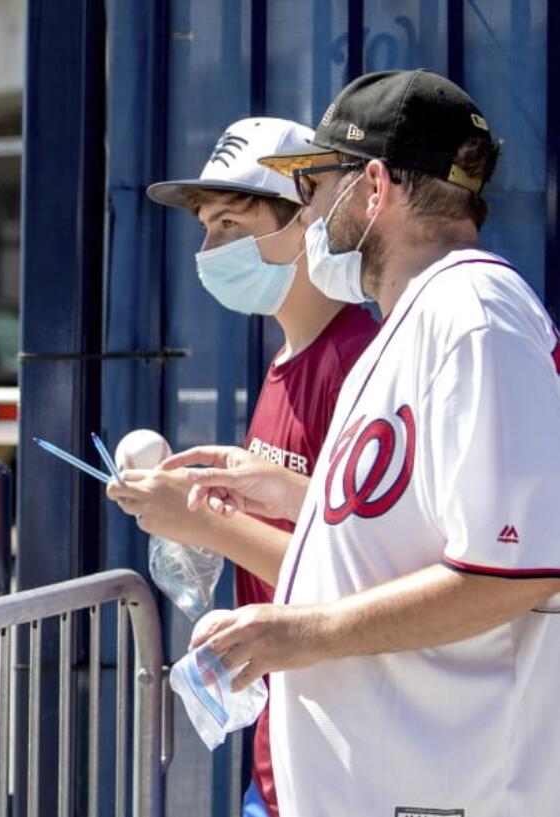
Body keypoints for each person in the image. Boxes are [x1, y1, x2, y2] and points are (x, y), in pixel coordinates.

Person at [165, 69, 560, 815]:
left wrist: (301, 632)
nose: (310, 212)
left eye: (317, 186)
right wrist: (289, 498)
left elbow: (516, 570)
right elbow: (422, 528)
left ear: (373, 186)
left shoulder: (474, 313)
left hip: (455, 791)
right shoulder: (419, 316)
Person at [111, 116, 378, 817]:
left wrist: (203, 521)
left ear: (304, 219)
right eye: (206, 227)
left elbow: (358, 579)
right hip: (284, 750)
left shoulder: (355, 362)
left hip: (343, 764)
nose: (209, 248)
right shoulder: (290, 359)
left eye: (231, 223)